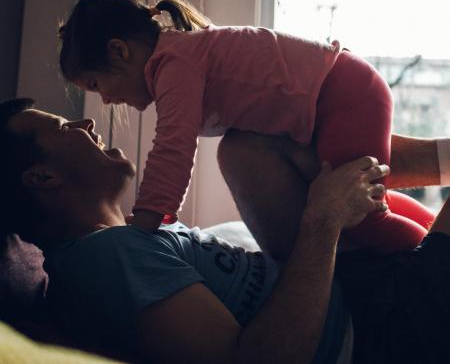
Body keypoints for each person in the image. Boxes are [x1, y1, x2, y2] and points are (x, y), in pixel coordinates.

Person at [1, 97, 450, 364]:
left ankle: (441, 159)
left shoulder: (132, 240)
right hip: (380, 337)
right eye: (64, 127)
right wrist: (324, 218)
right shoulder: (101, 260)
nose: (87, 124)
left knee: (247, 144)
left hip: (364, 293)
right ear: (42, 178)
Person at [57, 0, 434, 255]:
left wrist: (146, 221)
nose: (104, 99)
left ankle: (433, 264)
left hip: (343, 96)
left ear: (118, 51)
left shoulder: (172, 65)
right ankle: (432, 224)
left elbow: (173, 146)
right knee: (365, 197)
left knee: (363, 218)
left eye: (96, 85)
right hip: (340, 91)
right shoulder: (178, 57)